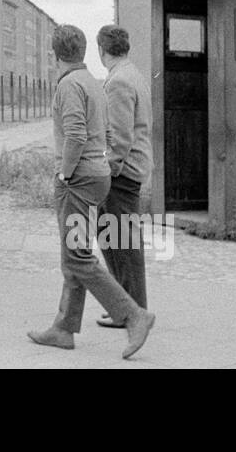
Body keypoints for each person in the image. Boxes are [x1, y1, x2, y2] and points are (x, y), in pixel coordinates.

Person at [28, 24, 155, 360]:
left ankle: (132, 314)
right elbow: (110, 133)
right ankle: (64, 328)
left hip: (80, 177)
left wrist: (64, 172)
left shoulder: (70, 84)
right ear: (84, 51)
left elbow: (75, 135)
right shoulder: (94, 82)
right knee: (79, 250)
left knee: (77, 255)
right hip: (96, 175)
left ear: (55, 54)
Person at [94, 25, 151, 327]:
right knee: (115, 239)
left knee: (121, 243)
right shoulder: (133, 73)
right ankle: (125, 306)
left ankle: (132, 310)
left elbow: (119, 137)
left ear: (102, 50)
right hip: (130, 168)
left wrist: (107, 170)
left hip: (121, 173)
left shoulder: (117, 81)